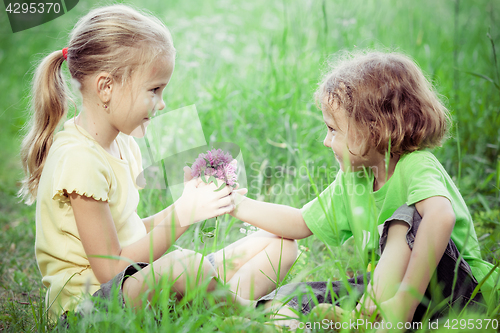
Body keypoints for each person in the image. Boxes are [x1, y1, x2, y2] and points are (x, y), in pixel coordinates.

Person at [19, 4, 297, 321]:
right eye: (154, 90)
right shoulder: (79, 159)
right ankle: (251, 318)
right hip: (88, 312)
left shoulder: (122, 143)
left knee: (279, 246)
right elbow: (110, 269)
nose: (162, 103)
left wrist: (190, 206)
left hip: (136, 285)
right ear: (106, 87)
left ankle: (211, 307)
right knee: (183, 265)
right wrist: (183, 215)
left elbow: (130, 233)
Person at [230, 51, 499, 327]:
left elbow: (441, 216)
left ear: (374, 128)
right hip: (385, 294)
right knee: (300, 295)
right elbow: (300, 222)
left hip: (457, 292)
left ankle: (380, 316)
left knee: (406, 217)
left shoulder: (416, 166)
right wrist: (234, 204)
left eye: (333, 130)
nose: (326, 141)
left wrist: (405, 300)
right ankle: (306, 321)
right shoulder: (355, 178)